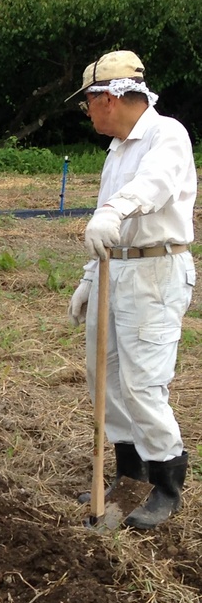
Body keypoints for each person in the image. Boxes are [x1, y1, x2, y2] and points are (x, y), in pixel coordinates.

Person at [66, 50, 196, 529]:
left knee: (142, 382)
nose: (87, 112)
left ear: (110, 97)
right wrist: (89, 277)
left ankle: (166, 483)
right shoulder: (117, 151)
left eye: (88, 102)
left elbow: (153, 186)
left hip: (154, 271)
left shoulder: (167, 135)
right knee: (105, 375)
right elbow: (108, 227)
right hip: (114, 269)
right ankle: (129, 475)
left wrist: (113, 210)